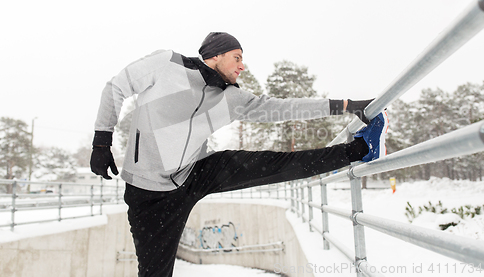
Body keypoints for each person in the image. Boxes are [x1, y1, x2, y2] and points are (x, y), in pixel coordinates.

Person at [90, 32, 388, 276]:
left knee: (275, 164)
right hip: (147, 194)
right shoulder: (166, 64)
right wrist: (101, 141)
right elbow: (116, 87)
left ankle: (361, 149)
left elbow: (283, 108)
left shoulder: (231, 97)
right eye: (237, 57)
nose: (242, 66)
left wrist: (348, 105)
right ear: (215, 55)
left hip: (193, 174)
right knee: (154, 274)